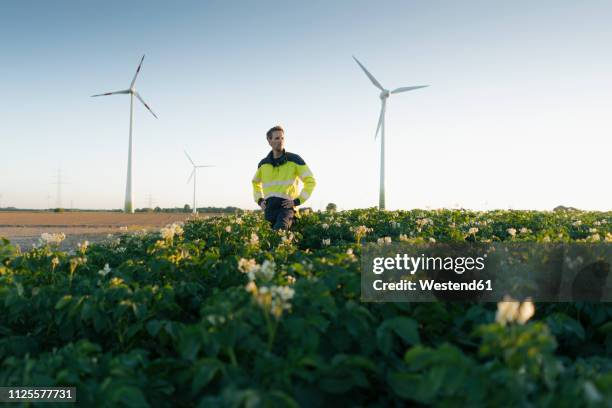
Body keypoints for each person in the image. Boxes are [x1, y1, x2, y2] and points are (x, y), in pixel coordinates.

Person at [252, 125, 316, 230]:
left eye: (282, 138)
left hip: (286, 208)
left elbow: (310, 181)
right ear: (269, 141)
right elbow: (255, 183)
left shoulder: (295, 159)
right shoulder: (263, 164)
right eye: (277, 138)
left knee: (280, 232)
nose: (280, 141)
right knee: (268, 237)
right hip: (269, 209)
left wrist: (297, 201)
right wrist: (259, 200)